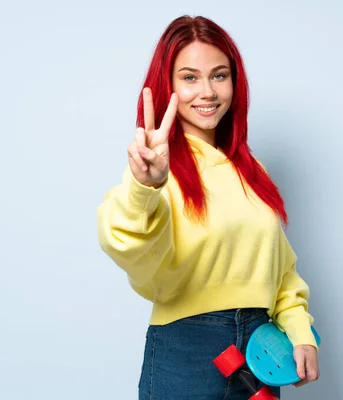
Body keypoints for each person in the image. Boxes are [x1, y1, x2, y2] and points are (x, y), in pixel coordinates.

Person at [96, 14, 319, 400]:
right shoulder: (156, 170)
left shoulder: (252, 171)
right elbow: (122, 241)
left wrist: (300, 330)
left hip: (261, 347)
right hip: (187, 350)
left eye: (219, 75)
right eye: (189, 77)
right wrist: (143, 186)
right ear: (167, 85)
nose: (208, 91)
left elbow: (280, 268)